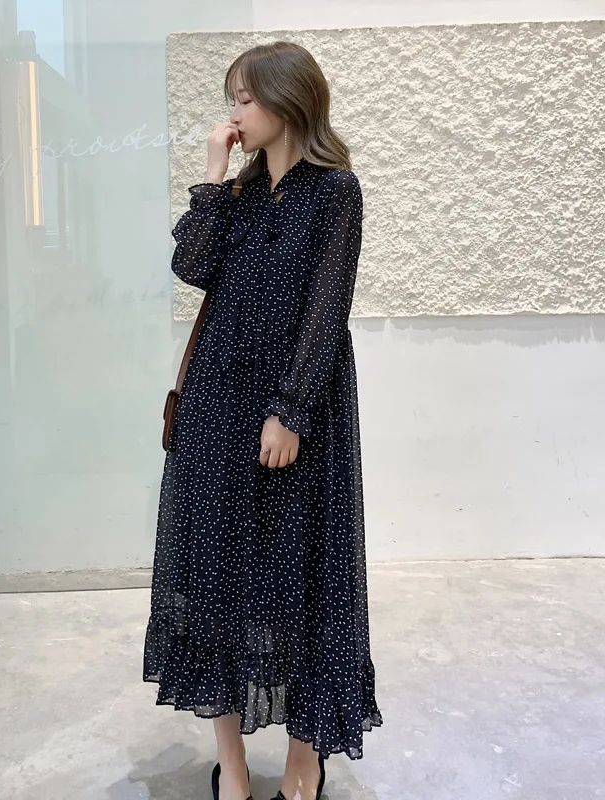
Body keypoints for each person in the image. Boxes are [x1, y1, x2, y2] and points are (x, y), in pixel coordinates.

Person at [143, 40, 383, 800]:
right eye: (233, 99)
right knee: (214, 576)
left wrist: (291, 411)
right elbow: (191, 268)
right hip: (216, 405)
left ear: (288, 101)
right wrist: (214, 176)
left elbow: (326, 311)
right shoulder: (240, 195)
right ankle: (235, 767)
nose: (234, 112)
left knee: (302, 577)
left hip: (291, 409)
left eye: (245, 98)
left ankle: (305, 763)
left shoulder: (335, 192)